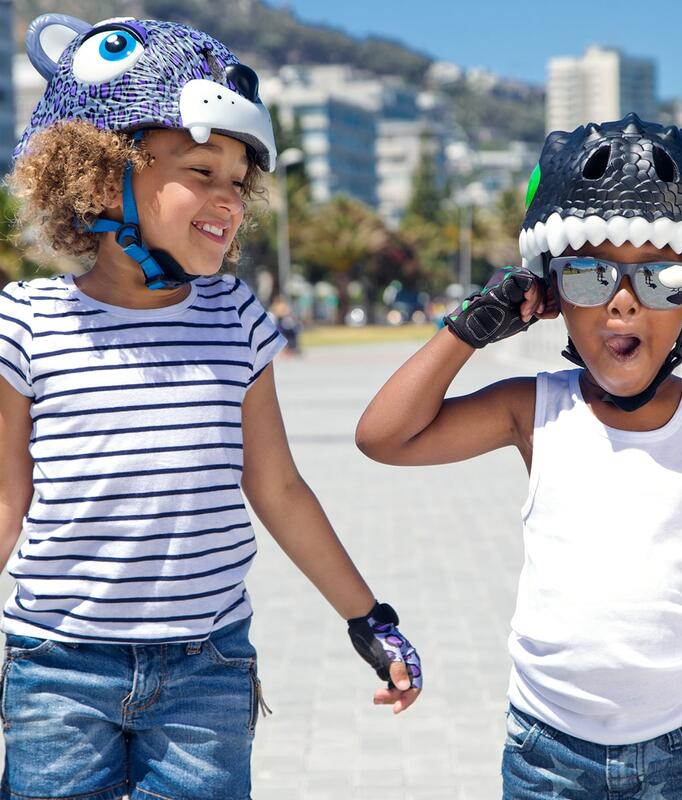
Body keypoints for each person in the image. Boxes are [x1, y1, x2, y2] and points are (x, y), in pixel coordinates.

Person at [0, 14, 421, 800]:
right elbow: (4, 500)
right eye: (201, 170)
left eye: (239, 179)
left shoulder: (234, 316)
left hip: (208, 668)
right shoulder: (26, 324)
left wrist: (370, 618)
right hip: (57, 666)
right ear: (98, 176)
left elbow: (280, 489)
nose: (227, 199)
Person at [356, 113, 682, 798]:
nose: (622, 303)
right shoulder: (533, 409)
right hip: (549, 751)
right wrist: (469, 329)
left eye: (662, 280)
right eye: (589, 275)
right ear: (550, 296)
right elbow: (384, 436)